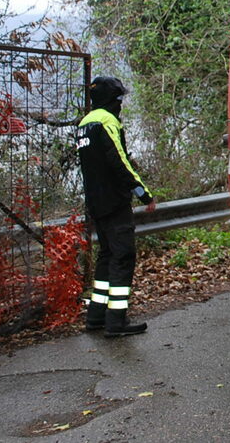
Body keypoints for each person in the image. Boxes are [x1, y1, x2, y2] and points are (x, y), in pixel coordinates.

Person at [77, 76, 158, 337]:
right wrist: (144, 194)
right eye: (120, 99)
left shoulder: (85, 123)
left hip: (95, 203)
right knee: (123, 257)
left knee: (107, 256)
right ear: (114, 99)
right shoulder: (107, 122)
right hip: (114, 202)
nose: (121, 104)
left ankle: (96, 317)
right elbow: (119, 161)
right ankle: (116, 322)